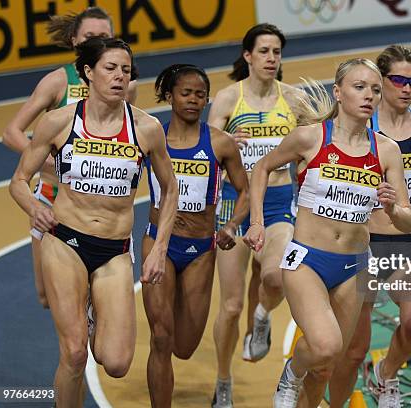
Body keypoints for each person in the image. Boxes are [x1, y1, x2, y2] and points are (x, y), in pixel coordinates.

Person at [8, 37, 178, 407]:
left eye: (126, 70)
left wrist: (159, 248)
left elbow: (170, 188)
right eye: (111, 68)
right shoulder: (59, 122)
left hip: (114, 249)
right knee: (73, 353)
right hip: (64, 241)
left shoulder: (147, 129)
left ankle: (91, 308)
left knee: (116, 362)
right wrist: (33, 208)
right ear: (88, 73)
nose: (120, 77)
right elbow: (19, 181)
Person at [244, 57, 411, 408]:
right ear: (338, 92)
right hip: (307, 259)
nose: (369, 95)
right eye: (359, 87)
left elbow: (407, 221)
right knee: (325, 346)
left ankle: (305, 380)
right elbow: (262, 167)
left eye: (375, 90)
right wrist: (257, 222)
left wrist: (392, 208)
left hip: (354, 265)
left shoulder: (386, 151)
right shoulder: (310, 138)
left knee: (328, 366)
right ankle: (293, 370)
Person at [329, 45, 411, 408]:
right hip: (364, 243)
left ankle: (387, 373)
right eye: (398, 79)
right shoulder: (364, 128)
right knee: (353, 350)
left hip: (409, 240)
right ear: (381, 83)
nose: (407, 87)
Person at [2, 6, 137, 308]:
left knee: (91, 291)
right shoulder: (58, 81)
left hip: (99, 200)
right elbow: (12, 132)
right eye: (90, 36)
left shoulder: (125, 86)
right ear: (75, 40)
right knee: (47, 296)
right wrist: (51, 162)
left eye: (104, 36)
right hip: (52, 195)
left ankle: (86, 346)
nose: (97, 41)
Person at [142, 64, 249, 407]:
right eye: (185, 93)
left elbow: (245, 192)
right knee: (161, 338)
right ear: (169, 96)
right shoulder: (151, 137)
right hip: (159, 243)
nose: (193, 100)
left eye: (200, 94)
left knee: (184, 346)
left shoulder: (219, 143)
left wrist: (231, 226)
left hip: (201, 249)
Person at [208, 23, 303, 407]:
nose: (271, 58)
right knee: (230, 306)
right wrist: (226, 143)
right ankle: (223, 380)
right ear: (248, 55)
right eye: (263, 51)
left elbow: (318, 141)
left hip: (278, 202)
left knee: (276, 276)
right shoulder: (230, 99)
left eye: (276, 52)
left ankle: (262, 315)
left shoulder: (293, 99)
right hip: (233, 205)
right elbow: (204, 151)